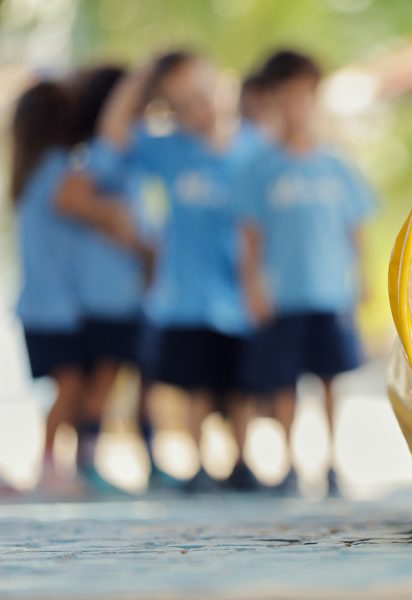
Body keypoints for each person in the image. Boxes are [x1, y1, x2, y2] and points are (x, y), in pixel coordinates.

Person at [99, 51, 263, 492]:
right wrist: (142, 75)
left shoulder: (256, 147)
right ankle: (200, 468)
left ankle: (245, 464)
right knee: (195, 386)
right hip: (187, 298)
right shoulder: (168, 149)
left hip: (242, 297)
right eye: (185, 101)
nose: (201, 107)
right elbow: (112, 136)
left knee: (242, 386)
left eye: (205, 93)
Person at [235, 50, 374, 497]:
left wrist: (363, 276)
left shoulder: (336, 165)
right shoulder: (261, 170)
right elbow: (250, 239)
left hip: (329, 292)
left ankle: (333, 462)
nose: (298, 106)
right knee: (283, 383)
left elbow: (356, 228)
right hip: (283, 296)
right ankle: (291, 463)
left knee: (332, 379)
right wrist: (252, 287)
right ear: (274, 102)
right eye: (288, 96)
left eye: (305, 95)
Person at [11, 80, 138, 496]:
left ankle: (61, 464)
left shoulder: (29, 174)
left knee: (72, 387)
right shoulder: (60, 172)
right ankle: (48, 464)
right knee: (69, 387)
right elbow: (82, 207)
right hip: (55, 307)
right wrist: (123, 222)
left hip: (44, 304)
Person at [62, 64, 154, 492]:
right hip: (108, 295)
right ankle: (85, 466)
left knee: (129, 379)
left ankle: (141, 462)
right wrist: (128, 234)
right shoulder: (103, 151)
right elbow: (73, 199)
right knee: (103, 379)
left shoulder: (133, 153)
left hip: (128, 293)